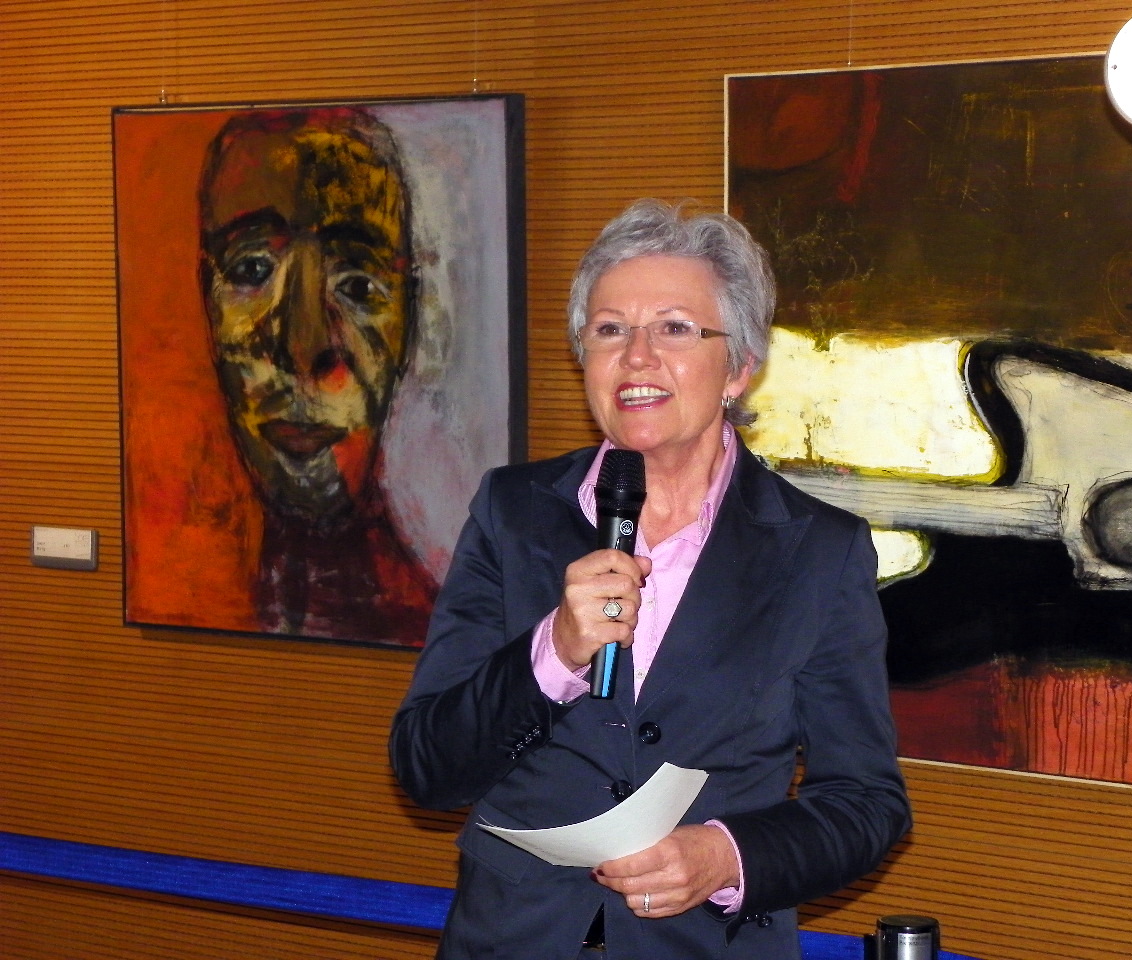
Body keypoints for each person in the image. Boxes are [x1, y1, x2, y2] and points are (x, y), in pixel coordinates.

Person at [389, 199, 909, 958]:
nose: (637, 357)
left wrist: (726, 856)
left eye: (674, 328)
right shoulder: (513, 511)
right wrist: (552, 652)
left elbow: (866, 803)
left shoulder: (820, 551)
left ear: (740, 367)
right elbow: (425, 767)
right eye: (610, 330)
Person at [199, 107, 437, 644]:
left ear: (408, 321)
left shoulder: (441, 628)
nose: (302, 346)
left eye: (358, 285)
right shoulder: (182, 587)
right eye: (252, 269)